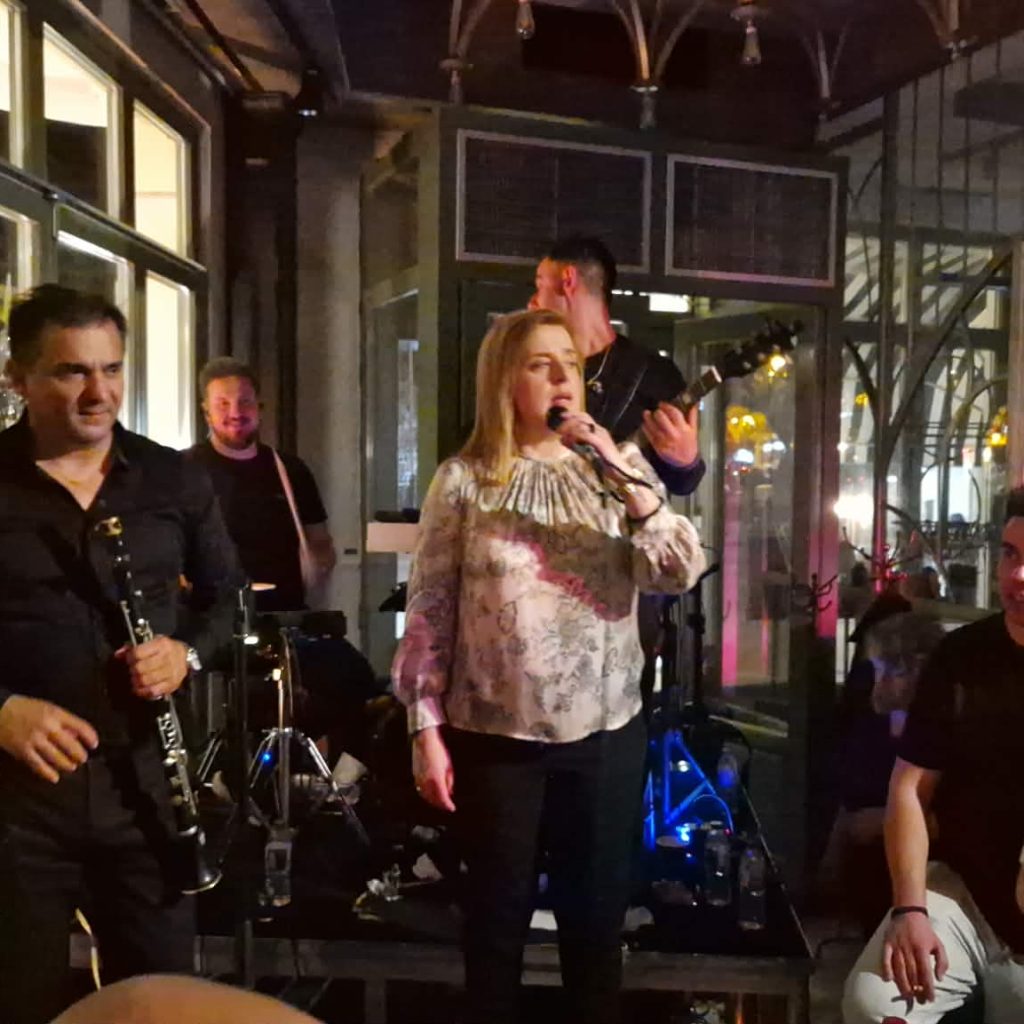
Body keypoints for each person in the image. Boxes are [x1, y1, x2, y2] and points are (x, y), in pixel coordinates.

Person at [392, 308, 706, 1024]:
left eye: (570, 362)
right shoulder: (465, 481)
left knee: (594, 935)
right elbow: (429, 610)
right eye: (541, 364)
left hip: (603, 736)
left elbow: (676, 571)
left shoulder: (616, 470)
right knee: (493, 933)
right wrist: (424, 727)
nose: (563, 376)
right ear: (506, 380)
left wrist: (620, 471)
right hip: (496, 739)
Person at [0, 285, 241, 1024]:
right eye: (71, 371)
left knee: (158, 1003)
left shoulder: (173, 478)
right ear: (17, 377)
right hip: (16, 801)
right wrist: (0, 711)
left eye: (111, 369)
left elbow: (230, 601)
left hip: (147, 791)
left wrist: (186, 654)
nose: (98, 392)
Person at [843, 489, 1024, 1024]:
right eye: (1010, 554)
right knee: (873, 1004)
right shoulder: (961, 655)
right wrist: (910, 908)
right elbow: (908, 789)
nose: (1018, 576)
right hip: (964, 891)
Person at [529, 235, 705, 496]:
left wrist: (686, 461)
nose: (532, 302)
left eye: (539, 286)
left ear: (568, 280)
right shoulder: (531, 370)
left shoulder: (655, 374)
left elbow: (681, 485)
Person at [824, 610, 944, 939]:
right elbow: (850, 790)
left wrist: (877, 822)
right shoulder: (873, 723)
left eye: (890, 671)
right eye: (877, 670)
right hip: (868, 871)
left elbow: (957, 819)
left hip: (925, 878)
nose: (880, 683)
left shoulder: (945, 730)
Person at [186, 356, 336, 614]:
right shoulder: (182, 470)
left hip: (284, 618)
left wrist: (321, 564)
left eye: (245, 402)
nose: (236, 413)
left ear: (260, 407)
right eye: (223, 404)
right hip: (208, 622)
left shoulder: (291, 470)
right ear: (206, 412)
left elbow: (320, 541)